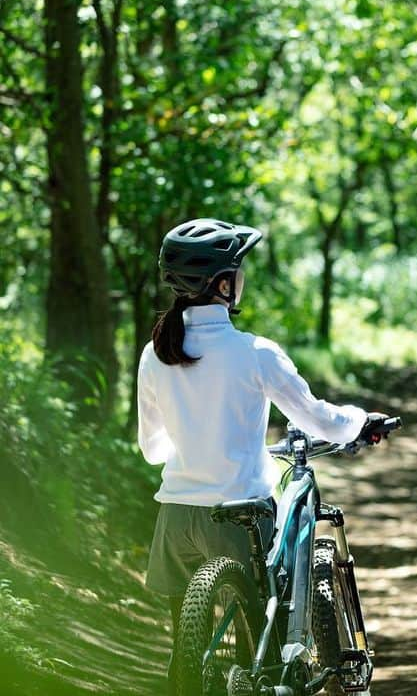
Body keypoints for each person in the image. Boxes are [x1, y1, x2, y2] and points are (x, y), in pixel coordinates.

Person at [136, 218, 376, 685]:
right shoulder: (255, 352)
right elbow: (319, 420)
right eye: (237, 272)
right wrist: (360, 422)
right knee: (266, 653)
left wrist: (196, 438)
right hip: (239, 517)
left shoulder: (154, 354)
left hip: (175, 519)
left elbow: (152, 449)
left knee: (188, 655)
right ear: (223, 284)